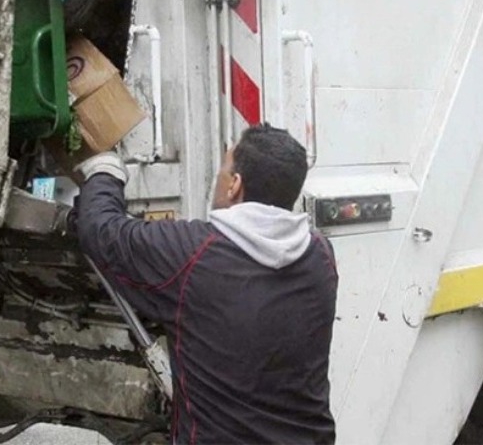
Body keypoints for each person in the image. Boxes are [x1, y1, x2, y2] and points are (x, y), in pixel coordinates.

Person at [76, 124, 338, 444]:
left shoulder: (193, 256)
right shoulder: (321, 256)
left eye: (224, 170)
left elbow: (100, 230)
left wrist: (105, 171)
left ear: (235, 185)